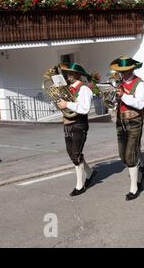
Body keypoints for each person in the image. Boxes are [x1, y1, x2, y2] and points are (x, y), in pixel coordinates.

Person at [110, 56, 144, 201]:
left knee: (130, 155)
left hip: (134, 121)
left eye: (125, 71)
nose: (123, 74)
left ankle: (134, 188)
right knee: (122, 155)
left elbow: (139, 104)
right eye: (121, 71)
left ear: (132, 69)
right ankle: (139, 174)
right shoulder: (119, 83)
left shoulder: (139, 83)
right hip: (120, 121)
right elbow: (116, 101)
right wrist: (112, 99)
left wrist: (123, 95)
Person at [57, 63, 97, 196]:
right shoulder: (68, 89)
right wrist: (59, 101)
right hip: (67, 123)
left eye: (71, 73)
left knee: (75, 153)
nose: (68, 76)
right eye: (67, 73)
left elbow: (84, 108)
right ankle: (90, 172)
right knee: (72, 153)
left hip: (79, 124)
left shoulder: (84, 89)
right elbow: (65, 106)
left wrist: (66, 103)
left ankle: (80, 186)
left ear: (78, 75)